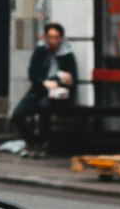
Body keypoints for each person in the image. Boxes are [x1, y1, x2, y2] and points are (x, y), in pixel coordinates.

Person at [10, 22, 78, 157]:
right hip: (38, 90)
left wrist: (62, 81)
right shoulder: (41, 51)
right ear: (46, 37)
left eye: (56, 37)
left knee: (44, 106)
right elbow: (33, 73)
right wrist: (44, 82)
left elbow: (72, 78)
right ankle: (32, 141)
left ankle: (42, 142)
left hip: (57, 95)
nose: (52, 41)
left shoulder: (67, 54)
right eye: (50, 37)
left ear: (61, 38)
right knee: (18, 114)